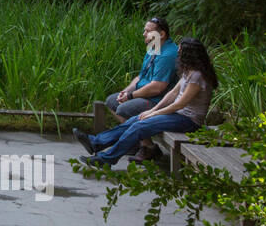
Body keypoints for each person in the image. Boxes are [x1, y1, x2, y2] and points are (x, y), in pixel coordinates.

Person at [75, 37, 219, 166]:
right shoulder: (189, 71)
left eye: (180, 50)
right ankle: (96, 143)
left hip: (189, 121)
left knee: (140, 126)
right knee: (135, 120)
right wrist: (151, 111)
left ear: (188, 54)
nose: (178, 53)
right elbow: (173, 94)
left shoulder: (198, 76)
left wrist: (153, 114)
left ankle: (106, 159)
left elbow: (179, 104)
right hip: (178, 115)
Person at [102, 16, 179, 122]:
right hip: (145, 95)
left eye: (148, 31)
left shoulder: (167, 55)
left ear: (161, 34)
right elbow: (141, 76)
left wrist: (130, 96)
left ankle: (132, 136)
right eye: (144, 30)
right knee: (111, 101)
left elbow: (157, 87)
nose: (144, 34)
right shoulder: (153, 47)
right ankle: (136, 137)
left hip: (158, 100)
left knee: (123, 109)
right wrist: (125, 91)